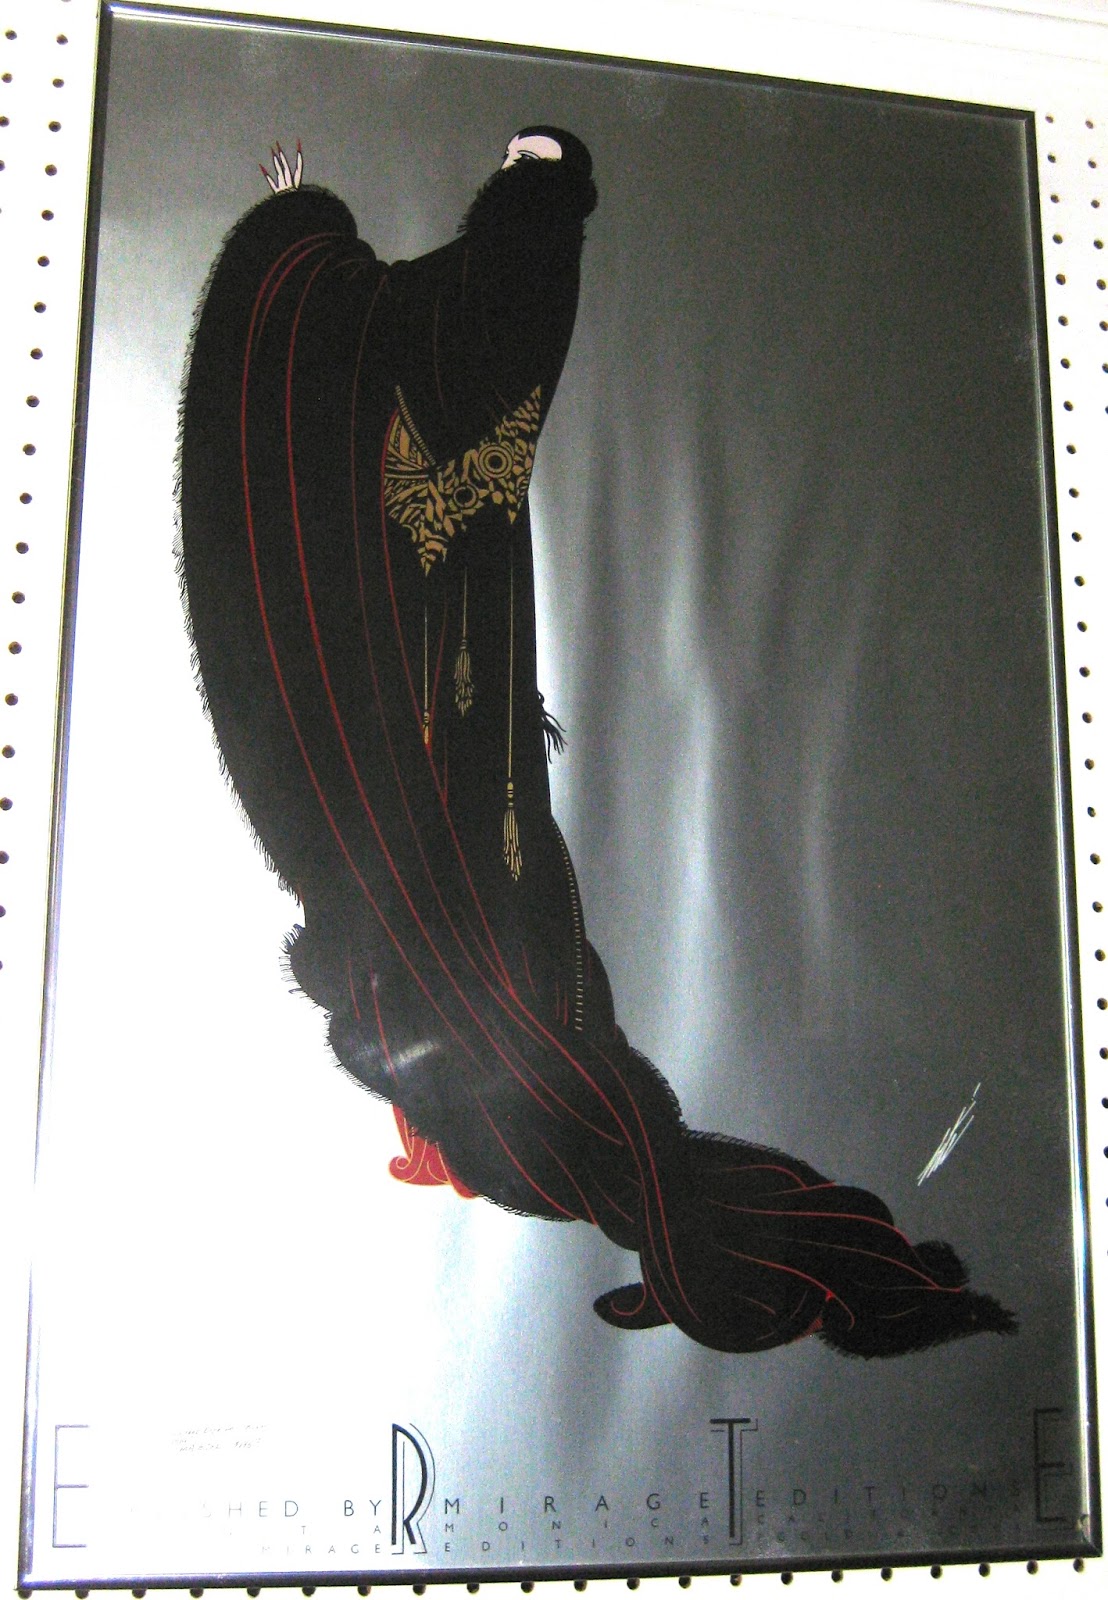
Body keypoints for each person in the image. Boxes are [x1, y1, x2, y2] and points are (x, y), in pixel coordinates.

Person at [178, 129, 1014, 1357]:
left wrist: (502, 197)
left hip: (449, 870)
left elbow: (476, 341)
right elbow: (486, 335)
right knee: (487, 945)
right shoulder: (398, 352)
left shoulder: (375, 353)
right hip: (454, 871)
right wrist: (522, 191)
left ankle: (606, 1174)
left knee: (484, 946)